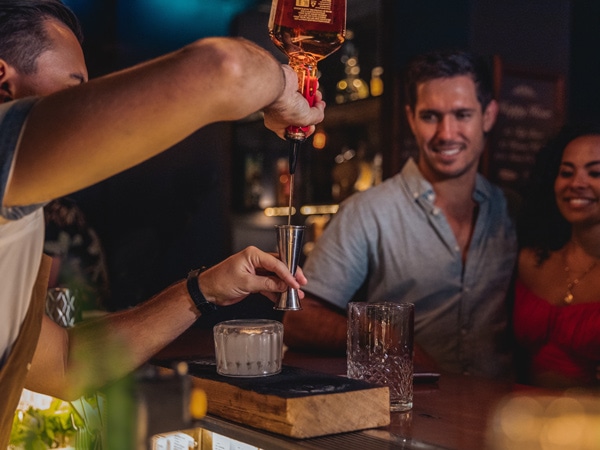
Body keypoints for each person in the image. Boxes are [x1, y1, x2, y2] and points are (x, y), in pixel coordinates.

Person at [0, 0, 325, 444]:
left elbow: (65, 364)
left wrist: (203, 289)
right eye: (75, 92)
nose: (85, 110)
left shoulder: (19, 214)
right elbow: (225, 67)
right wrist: (285, 87)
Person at [282, 49, 518, 380]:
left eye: (462, 115)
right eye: (431, 116)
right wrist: (392, 339)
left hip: (499, 413)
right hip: (411, 407)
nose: (446, 133)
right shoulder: (368, 211)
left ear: (489, 116)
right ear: (411, 118)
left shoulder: (509, 209)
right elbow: (299, 320)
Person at [514, 122, 600, 389]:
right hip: (523, 420)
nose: (576, 184)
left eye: (595, 173)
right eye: (566, 172)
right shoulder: (531, 260)